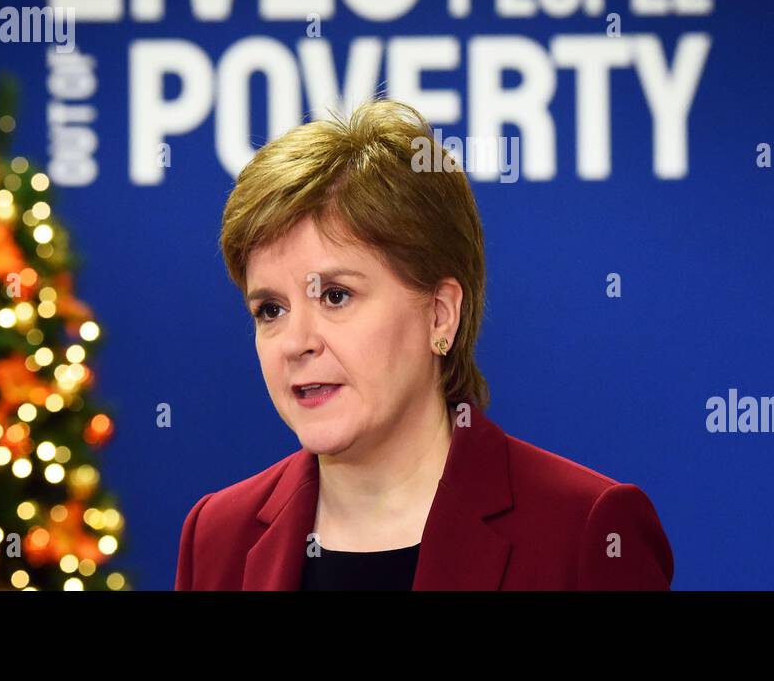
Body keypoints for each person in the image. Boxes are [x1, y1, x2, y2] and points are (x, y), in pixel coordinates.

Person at [174, 98, 673, 590]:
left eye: (335, 295)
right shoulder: (218, 537)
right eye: (271, 310)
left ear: (440, 313)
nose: (296, 343)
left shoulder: (586, 531)